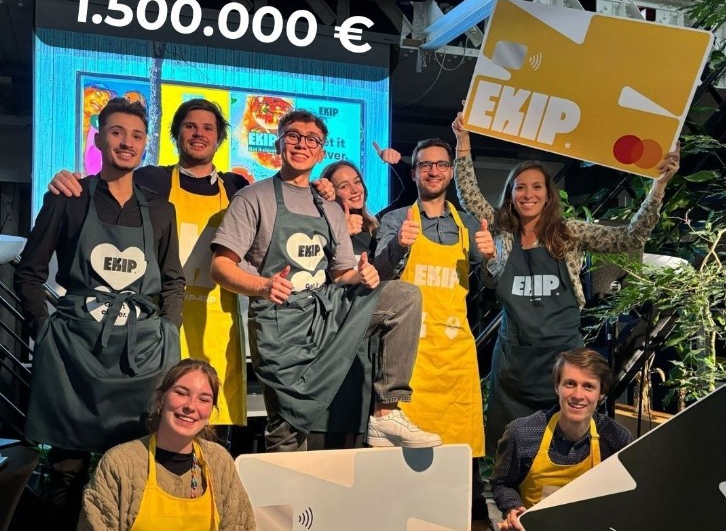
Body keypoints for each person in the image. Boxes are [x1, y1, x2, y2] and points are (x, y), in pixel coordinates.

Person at [49, 99, 334, 436]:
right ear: (176, 135)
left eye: (208, 128)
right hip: (156, 323)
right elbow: (109, 185)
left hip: (219, 324)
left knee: (214, 429)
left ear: (219, 139)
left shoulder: (237, 187)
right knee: (158, 422)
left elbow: (286, 191)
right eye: (190, 126)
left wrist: (320, 186)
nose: (199, 134)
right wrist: (68, 179)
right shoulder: (150, 180)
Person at [14, 97, 185, 531]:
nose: (126, 142)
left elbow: (173, 281)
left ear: (145, 144)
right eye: (116, 132)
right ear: (99, 137)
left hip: (138, 357)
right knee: (66, 473)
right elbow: (29, 272)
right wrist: (47, 331)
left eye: (135, 135)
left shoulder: (160, 209)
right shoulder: (67, 198)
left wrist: (167, 336)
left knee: (128, 473)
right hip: (75, 353)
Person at [210, 109, 441, 452]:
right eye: (293, 136)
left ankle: (386, 412)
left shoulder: (329, 208)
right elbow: (220, 267)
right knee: (288, 428)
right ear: (278, 144)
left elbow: (341, 274)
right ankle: (285, 486)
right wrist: (263, 286)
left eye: (312, 140)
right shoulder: (253, 198)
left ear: (321, 153)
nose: (301, 144)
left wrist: (361, 273)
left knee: (402, 297)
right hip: (280, 327)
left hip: (325, 314)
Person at [453, 112, 680, 456]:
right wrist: (463, 142)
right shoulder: (501, 231)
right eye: (520, 187)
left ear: (548, 195)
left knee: (566, 451)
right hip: (514, 364)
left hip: (565, 362)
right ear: (511, 195)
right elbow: (469, 195)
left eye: (537, 187)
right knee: (510, 451)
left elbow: (631, 237)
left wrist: (658, 187)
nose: (528, 194)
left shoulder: (569, 233)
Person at [72, 359, 267, 531]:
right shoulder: (121, 464)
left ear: (211, 411)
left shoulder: (219, 463)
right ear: (162, 398)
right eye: (181, 392)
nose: (191, 406)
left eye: (204, 399)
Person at [490, 347, 633, 531]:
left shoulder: (616, 439)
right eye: (570, 383)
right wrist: (513, 508)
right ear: (557, 386)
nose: (578, 395)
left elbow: (630, 499)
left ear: (601, 394)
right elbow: (502, 482)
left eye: (588, 386)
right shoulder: (523, 433)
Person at [375, 137, 494, 459]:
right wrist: (399, 245)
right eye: (425, 165)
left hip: (456, 356)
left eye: (441, 164)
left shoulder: (468, 224)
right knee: (403, 460)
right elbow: (378, 276)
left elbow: (491, 282)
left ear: (451, 171)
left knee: (457, 458)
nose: (433, 171)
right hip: (408, 358)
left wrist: (490, 258)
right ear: (413, 173)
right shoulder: (396, 219)